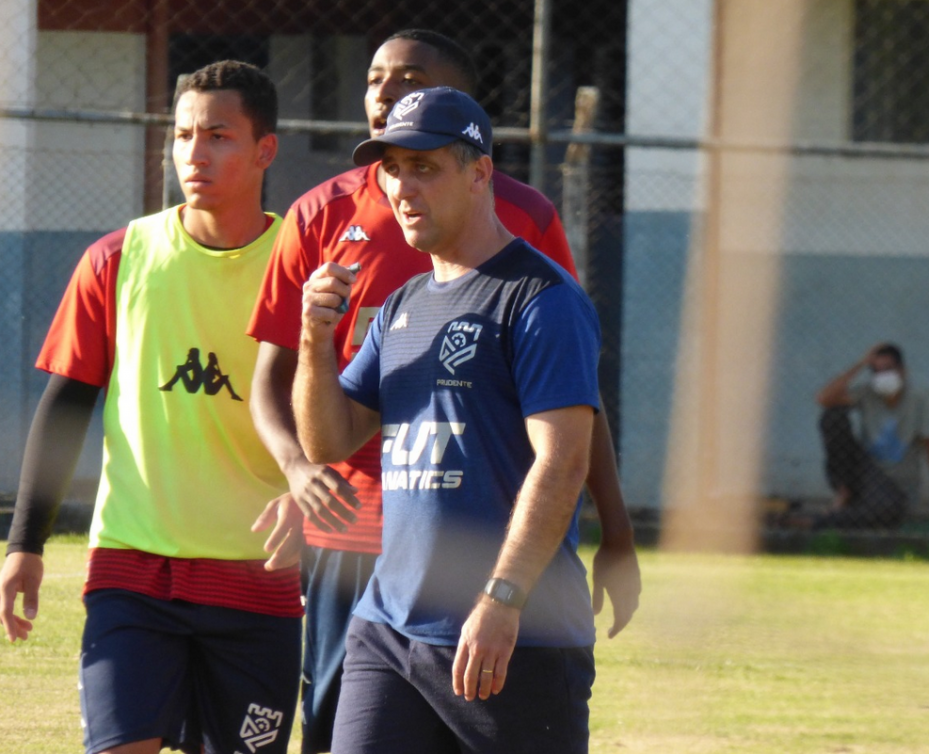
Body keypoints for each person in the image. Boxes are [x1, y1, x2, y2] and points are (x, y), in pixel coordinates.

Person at [247, 29, 641, 754]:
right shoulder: (403, 304)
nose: (402, 188)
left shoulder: (540, 298)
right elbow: (330, 439)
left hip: (514, 630)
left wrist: (503, 596)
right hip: (388, 625)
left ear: (478, 172)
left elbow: (561, 463)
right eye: (393, 170)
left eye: (423, 168)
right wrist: (313, 337)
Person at [0, 61, 305, 754]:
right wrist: (24, 543)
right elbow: (67, 403)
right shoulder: (118, 258)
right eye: (183, 134)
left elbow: (346, 402)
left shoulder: (304, 267)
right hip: (132, 572)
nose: (194, 154)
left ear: (265, 150)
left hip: (255, 578)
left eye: (219, 135)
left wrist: (314, 489)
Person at [811, 342, 929, 529]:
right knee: (832, 416)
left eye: (888, 369)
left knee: (885, 511)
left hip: (895, 485)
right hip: (864, 473)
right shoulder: (867, 393)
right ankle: (845, 491)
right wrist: (861, 363)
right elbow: (823, 399)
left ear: (903, 371)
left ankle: (816, 523)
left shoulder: (921, 399)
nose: (883, 376)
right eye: (877, 371)